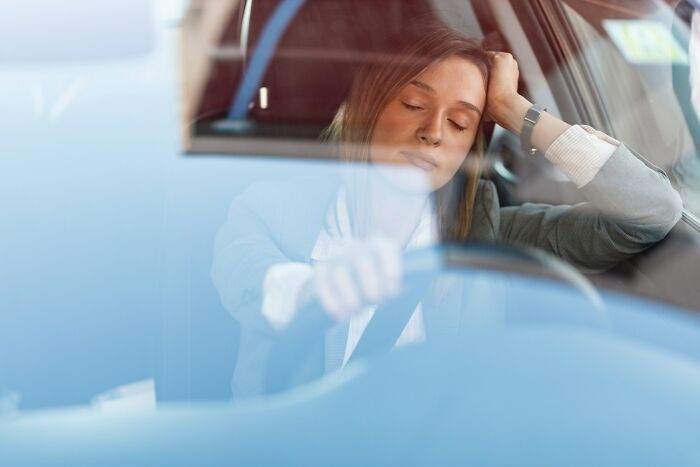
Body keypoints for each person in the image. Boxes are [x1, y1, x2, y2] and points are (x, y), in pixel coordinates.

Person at [211, 26, 683, 398]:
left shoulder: (485, 234)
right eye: (415, 104)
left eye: (460, 122)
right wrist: (317, 291)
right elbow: (253, 281)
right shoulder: (269, 208)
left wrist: (515, 110)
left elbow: (651, 212)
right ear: (364, 109)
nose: (434, 133)